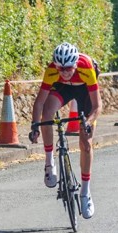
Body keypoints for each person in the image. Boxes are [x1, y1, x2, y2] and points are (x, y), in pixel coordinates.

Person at [31, 42, 101, 219]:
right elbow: (39, 102)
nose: (64, 72)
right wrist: (34, 126)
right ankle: (49, 162)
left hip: (84, 90)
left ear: (75, 64)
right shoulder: (52, 70)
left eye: (68, 68)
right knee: (47, 112)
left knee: (86, 142)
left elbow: (97, 105)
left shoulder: (86, 67)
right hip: (63, 89)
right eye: (61, 68)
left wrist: (88, 122)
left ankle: (85, 192)